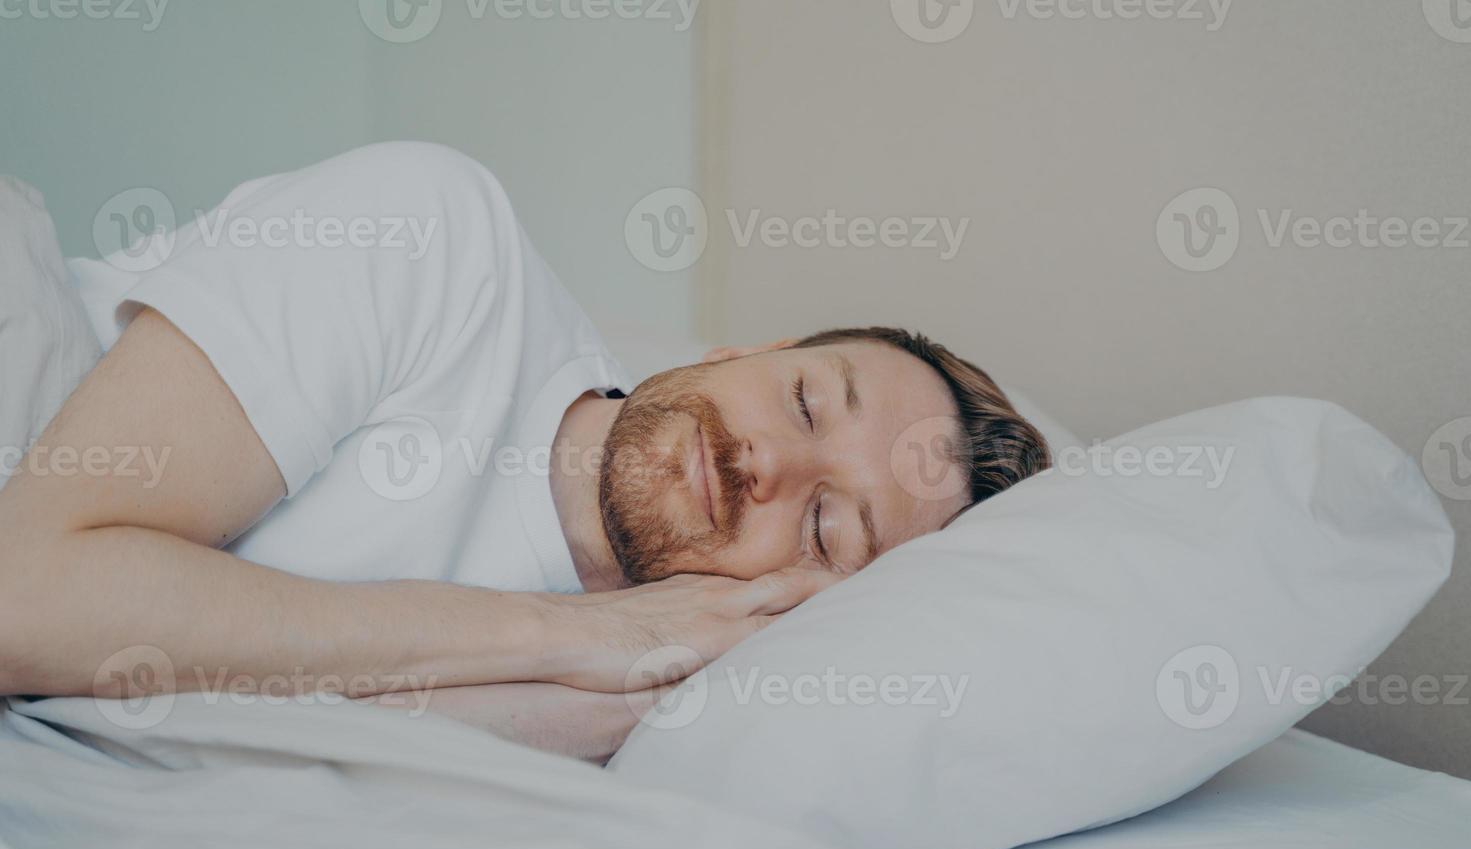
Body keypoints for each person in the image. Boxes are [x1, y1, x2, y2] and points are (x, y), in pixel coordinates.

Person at [0, 143, 1049, 761]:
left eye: (825, 524)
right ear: (746, 349)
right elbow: (26, 598)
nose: (764, 463)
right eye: (806, 400)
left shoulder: (642, 696)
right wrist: (557, 629)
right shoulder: (436, 239)